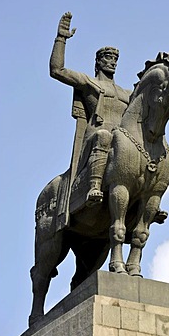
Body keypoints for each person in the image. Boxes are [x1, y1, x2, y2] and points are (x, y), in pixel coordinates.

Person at [50, 12, 131, 213]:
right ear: (98, 61)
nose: (112, 62)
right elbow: (57, 70)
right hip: (96, 136)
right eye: (108, 58)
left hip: (121, 139)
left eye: (115, 59)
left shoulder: (126, 93)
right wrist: (61, 38)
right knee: (103, 136)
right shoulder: (89, 82)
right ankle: (94, 186)